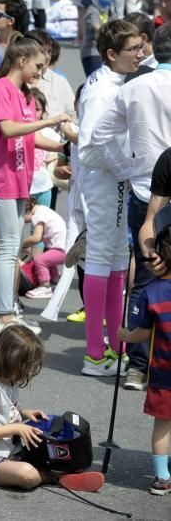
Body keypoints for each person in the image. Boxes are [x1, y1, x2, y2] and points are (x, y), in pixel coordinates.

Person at [91, 23, 171, 389]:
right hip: (149, 186)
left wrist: (128, 166)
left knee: (147, 274)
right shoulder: (131, 85)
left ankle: (138, 366)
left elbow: (100, 135)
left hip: (145, 186)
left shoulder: (133, 87)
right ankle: (142, 362)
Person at [0, 38, 71, 336]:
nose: (40, 73)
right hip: (0, 178)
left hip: (20, 178)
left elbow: (28, 138)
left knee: (13, 246)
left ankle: (9, 311)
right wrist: (51, 121)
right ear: (22, 61)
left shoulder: (26, 94)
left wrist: (65, 145)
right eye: (38, 66)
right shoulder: (1, 88)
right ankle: (4, 314)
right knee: (7, 247)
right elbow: (8, 129)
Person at [76, 19, 144, 376]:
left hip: (112, 180)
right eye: (132, 48)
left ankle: (116, 348)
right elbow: (90, 145)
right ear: (111, 53)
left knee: (119, 259)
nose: (140, 53)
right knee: (103, 259)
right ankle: (94, 355)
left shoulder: (115, 81)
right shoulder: (102, 89)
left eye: (140, 46)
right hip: (103, 182)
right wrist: (125, 171)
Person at [0, 325, 104, 492]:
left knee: (46, 451)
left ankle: (58, 473)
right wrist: (18, 427)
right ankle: (55, 478)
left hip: (13, 454)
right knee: (27, 475)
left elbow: (4, 412)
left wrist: (25, 414)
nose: (28, 372)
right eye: (25, 367)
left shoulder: (9, 381)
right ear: (10, 360)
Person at [118, 203, 171, 495]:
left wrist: (125, 334)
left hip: (163, 373)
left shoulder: (152, 291)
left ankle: (162, 478)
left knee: (163, 426)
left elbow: (142, 332)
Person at [21, 200, 67, 300]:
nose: (24, 221)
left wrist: (22, 245)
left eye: (22, 217)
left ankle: (45, 287)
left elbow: (36, 238)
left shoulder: (38, 215)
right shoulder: (43, 210)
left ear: (27, 212)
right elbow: (40, 238)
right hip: (63, 246)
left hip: (61, 248)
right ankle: (55, 280)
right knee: (48, 256)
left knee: (40, 260)